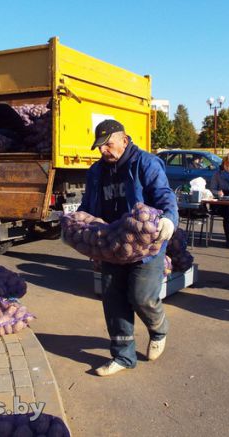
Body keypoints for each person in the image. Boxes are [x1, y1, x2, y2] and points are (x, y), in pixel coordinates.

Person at [77, 119, 178, 376]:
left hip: (146, 246)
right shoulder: (96, 172)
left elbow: (164, 195)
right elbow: (88, 206)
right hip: (112, 244)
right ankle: (123, 356)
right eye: (99, 147)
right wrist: (75, 224)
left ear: (124, 139)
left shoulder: (145, 163)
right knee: (113, 300)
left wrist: (168, 218)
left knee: (141, 296)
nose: (103, 151)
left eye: (108, 145)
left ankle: (158, 328)